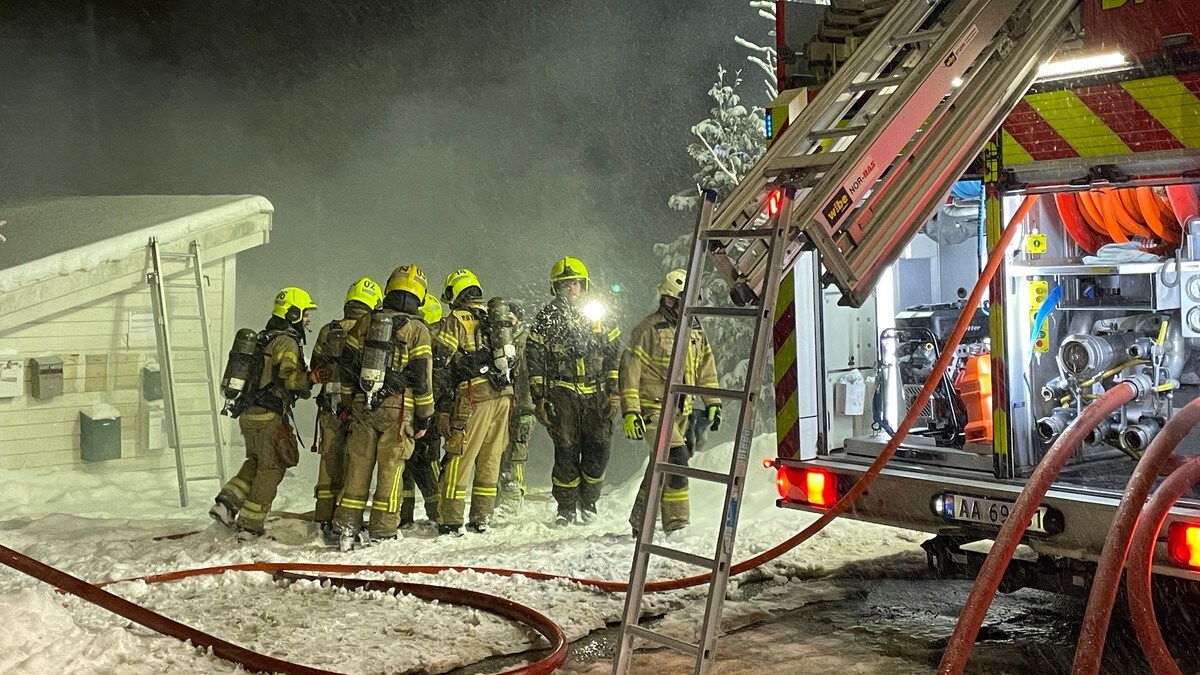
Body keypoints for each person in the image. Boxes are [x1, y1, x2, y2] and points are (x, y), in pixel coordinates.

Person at [330, 265, 434, 549]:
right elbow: (422, 378)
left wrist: (349, 404)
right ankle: (382, 530)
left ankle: (346, 528)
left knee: (357, 468)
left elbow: (347, 366)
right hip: (399, 411)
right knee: (391, 470)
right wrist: (424, 418)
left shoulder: (366, 321)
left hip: (364, 407)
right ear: (420, 295)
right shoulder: (418, 330)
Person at [210, 287, 320, 538]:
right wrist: (311, 377)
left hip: (249, 413)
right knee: (271, 468)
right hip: (268, 415)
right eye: (304, 314)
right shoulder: (286, 341)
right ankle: (250, 525)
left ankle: (226, 504)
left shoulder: (264, 337)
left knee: (257, 462)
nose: (308, 320)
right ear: (292, 313)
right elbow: (288, 376)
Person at [620, 269, 721, 539]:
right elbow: (629, 370)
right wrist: (630, 411)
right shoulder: (647, 329)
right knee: (677, 459)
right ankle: (677, 524)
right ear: (668, 300)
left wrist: (713, 401)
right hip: (653, 408)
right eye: (683, 300)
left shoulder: (696, 329)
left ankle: (640, 520)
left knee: (661, 464)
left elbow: (706, 367)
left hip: (682, 411)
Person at [526, 256, 622, 527]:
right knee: (566, 450)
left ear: (584, 285)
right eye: (565, 284)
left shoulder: (600, 315)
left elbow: (615, 356)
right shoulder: (547, 318)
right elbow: (534, 358)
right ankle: (566, 508)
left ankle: (588, 502)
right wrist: (540, 399)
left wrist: (613, 392)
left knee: (599, 449)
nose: (572, 288)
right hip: (562, 393)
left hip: (594, 393)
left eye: (576, 283)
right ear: (555, 287)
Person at [433, 269, 515, 535]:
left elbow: (440, 363)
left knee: (460, 456)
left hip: (473, 396)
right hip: (502, 395)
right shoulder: (497, 319)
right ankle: (481, 517)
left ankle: (450, 520)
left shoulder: (457, 319)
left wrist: (443, 406)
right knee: (490, 458)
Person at [310, 277, 382, 545]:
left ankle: (323, 518)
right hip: (359, 408)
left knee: (329, 463)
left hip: (330, 405)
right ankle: (348, 518)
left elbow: (317, 365)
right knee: (356, 464)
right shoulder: (371, 330)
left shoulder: (329, 330)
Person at [400, 291, 445, 529]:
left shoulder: (425, 338)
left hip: (420, 412)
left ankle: (405, 515)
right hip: (429, 413)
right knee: (425, 464)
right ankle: (437, 513)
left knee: (411, 465)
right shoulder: (437, 339)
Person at [497, 302, 535, 514]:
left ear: (518, 320)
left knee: (517, 452)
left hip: (522, 405)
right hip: (502, 404)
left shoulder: (526, 342)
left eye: (511, 319)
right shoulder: (498, 343)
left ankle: (513, 497)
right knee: (497, 451)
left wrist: (530, 408)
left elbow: (529, 377)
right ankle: (497, 497)